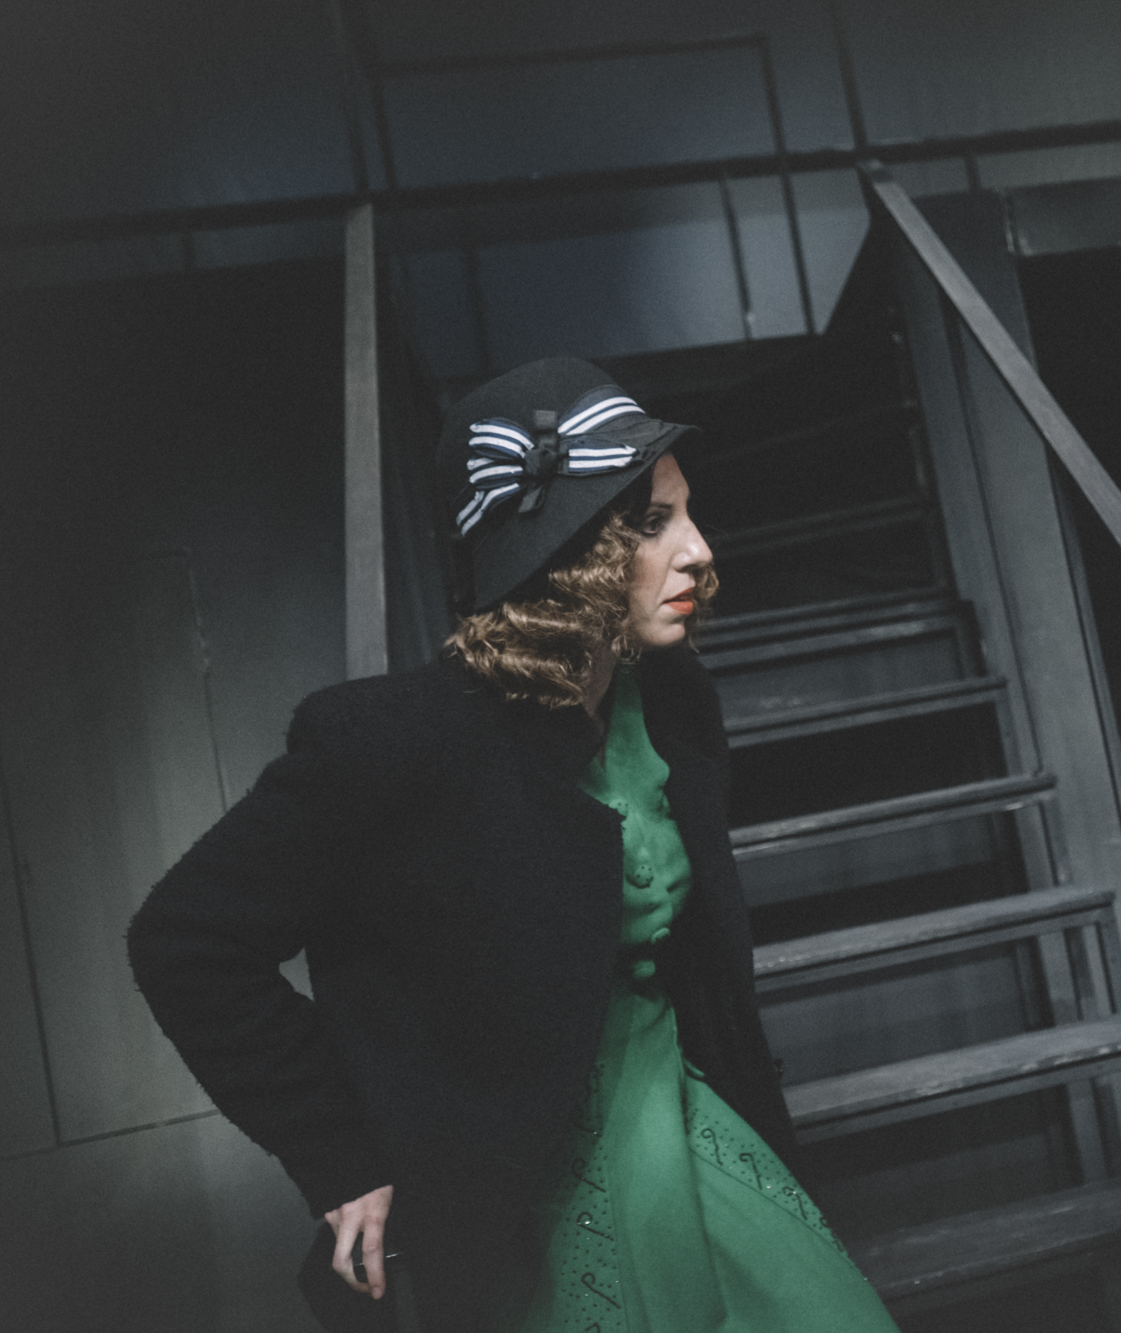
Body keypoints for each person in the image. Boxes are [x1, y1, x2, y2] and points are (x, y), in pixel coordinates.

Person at [127, 358, 900, 1333]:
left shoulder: (670, 697)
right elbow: (184, 939)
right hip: (521, 1168)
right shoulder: (395, 740)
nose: (700, 550)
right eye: (652, 523)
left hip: (679, 1101)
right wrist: (338, 1154)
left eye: (688, 513)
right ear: (567, 556)